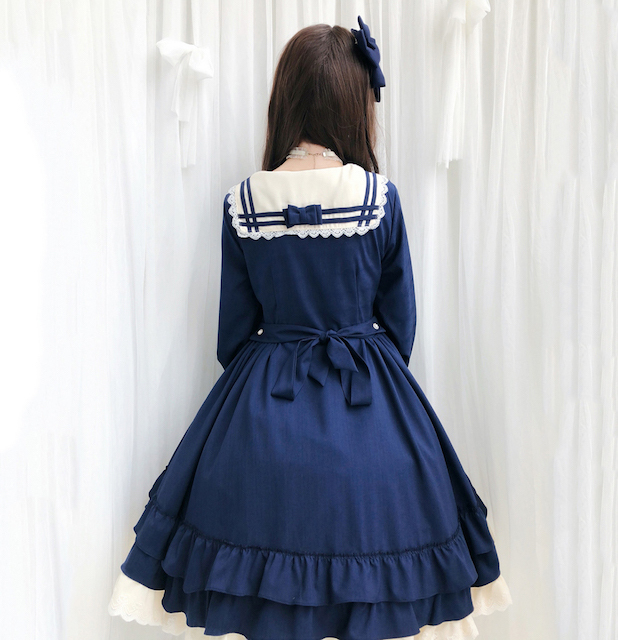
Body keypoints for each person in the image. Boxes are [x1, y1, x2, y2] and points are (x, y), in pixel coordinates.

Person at [108, 16, 513, 640]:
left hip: (264, 400)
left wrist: (253, 385)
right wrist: (380, 385)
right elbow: (400, 323)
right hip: (368, 392)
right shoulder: (379, 197)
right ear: (355, 104)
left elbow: (234, 331)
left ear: (286, 98)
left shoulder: (244, 201)